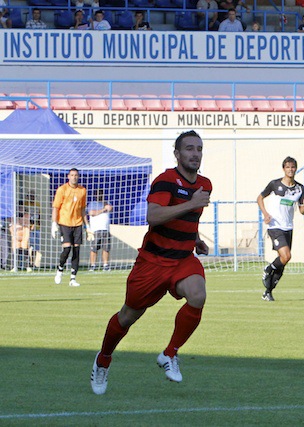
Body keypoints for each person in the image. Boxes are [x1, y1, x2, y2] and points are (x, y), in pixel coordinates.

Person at [90, 131, 212, 395]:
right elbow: (153, 216)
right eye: (189, 148)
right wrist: (191, 203)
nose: (195, 153)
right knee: (127, 316)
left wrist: (196, 239)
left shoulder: (204, 184)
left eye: (199, 149)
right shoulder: (166, 180)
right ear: (177, 154)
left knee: (197, 294)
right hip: (152, 262)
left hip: (182, 259)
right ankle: (103, 360)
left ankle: (170, 354)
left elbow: (189, 218)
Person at [257, 157, 304, 302]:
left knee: (283, 262)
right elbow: (260, 198)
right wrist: (265, 214)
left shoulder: (299, 188)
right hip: (275, 226)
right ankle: (268, 269)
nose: (290, 170)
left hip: (288, 227)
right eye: (288, 167)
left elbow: (302, 211)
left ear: (296, 169)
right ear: (283, 169)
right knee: (286, 256)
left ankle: (268, 292)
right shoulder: (274, 184)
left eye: (293, 167)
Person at [52, 168, 90, 287]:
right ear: (68, 176)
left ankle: (73, 278)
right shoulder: (62, 189)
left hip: (78, 223)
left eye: (76, 175)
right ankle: (60, 269)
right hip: (65, 223)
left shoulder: (82, 190)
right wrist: (54, 223)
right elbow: (56, 207)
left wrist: (87, 226)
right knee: (67, 248)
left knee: (77, 250)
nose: (74, 177)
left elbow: (83, 209)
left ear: (78, 177)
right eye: (72, 175)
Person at [88, 189, 113, 272]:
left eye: (101, 194)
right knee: (94, 248)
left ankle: (105, 265)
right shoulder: (92, 204)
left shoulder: (106, 202)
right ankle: (92, 265)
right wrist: (103, 210)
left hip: (106, 229)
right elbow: (92, 213)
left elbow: (110, 208)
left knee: (106, 248)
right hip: (96, 230)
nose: (100, 196)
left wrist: (105, 205)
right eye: (98, 194)